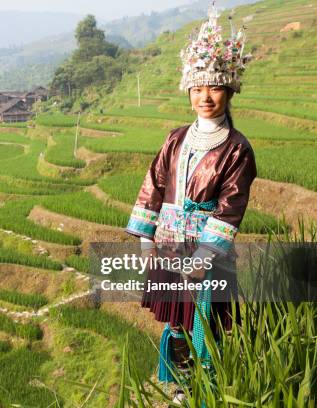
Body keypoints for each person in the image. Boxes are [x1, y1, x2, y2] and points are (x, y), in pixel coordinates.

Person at [125, 3, 256, 403]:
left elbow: (230, 207)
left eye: (214, 87)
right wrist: (145, 238)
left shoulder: (237, 149)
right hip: (167, 245)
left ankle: (208, 390)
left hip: (206, 253)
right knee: (176, 323)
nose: (205, 96)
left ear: (229, 90)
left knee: (207, 321)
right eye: (197, 88)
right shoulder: (175, 137)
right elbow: (154, 183)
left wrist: (204, 255)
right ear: (188, 91)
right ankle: (180, 386)